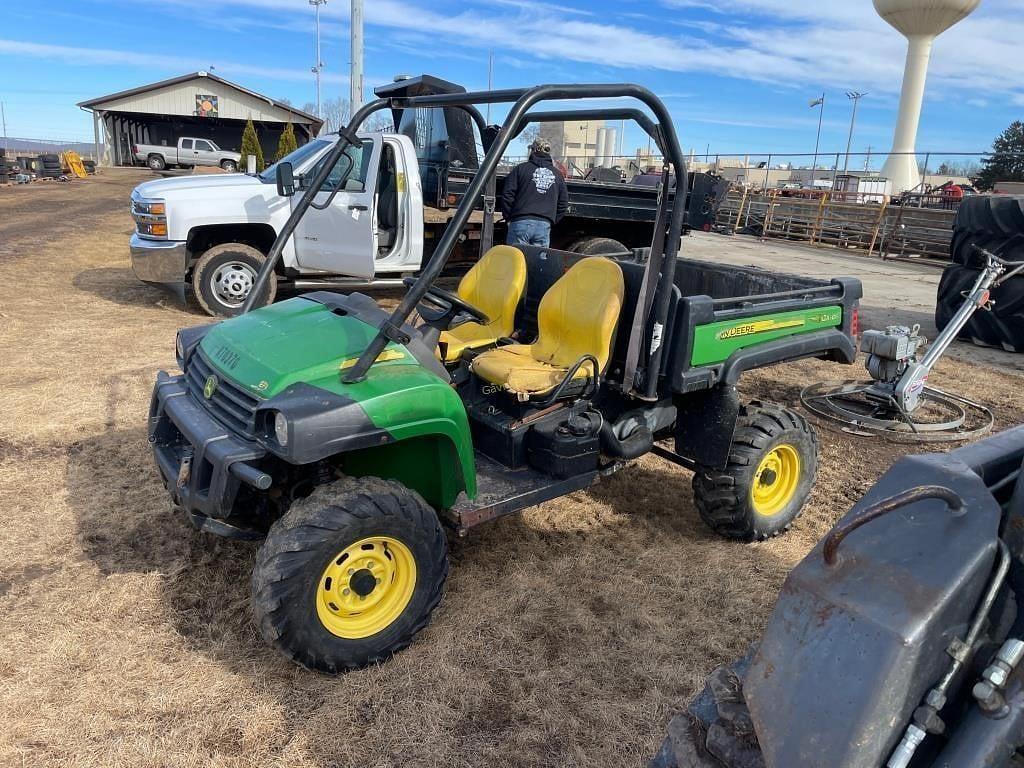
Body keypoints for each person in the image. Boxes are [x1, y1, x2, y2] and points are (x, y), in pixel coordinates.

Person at [500, 138, 568, 247]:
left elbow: (507, 195)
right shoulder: (558, 175)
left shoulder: (520, 169)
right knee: (538, 262)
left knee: (516, 259)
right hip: (544, 226)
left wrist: (509, 217)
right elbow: (563, 203)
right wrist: (551, 220)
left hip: (520, 222)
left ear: (534, 150)